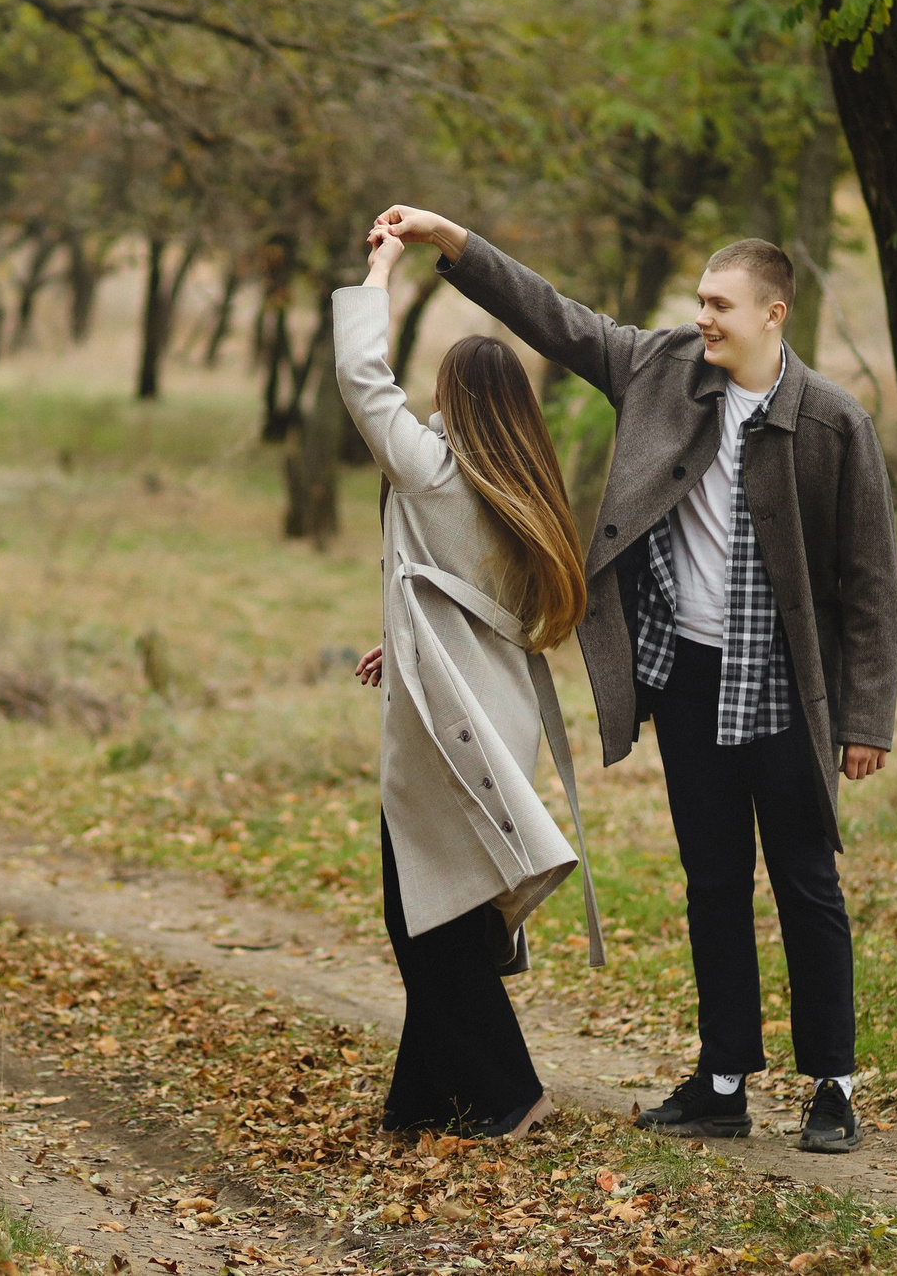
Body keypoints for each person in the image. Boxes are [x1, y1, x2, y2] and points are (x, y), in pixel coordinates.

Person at [369, 206, 897, 1156]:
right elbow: (553, 315)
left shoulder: (832, 422)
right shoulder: (660, 371)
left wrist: (868, 716)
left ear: (774, 313)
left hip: (785, 691)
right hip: (688, 682)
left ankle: (834, 1084)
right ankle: (724, 1077)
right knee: (712, 883)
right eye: (699, 300)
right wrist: (454, 243)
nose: (704, 317)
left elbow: (870, 582)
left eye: (720, 304)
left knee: (807, 884)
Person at [335, 228, 605, 1142]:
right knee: (441, 906)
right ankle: (421, 1101)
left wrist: (378, 272)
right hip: (495, 715)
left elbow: (363, 380)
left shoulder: (436, 472)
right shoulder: (525, 486)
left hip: (445, 728)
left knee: (427, 917)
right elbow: (469, 601)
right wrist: (396, 638)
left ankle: (510, 1091)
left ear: (456, 402)